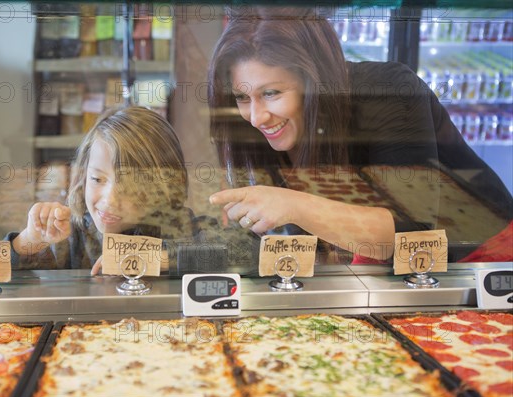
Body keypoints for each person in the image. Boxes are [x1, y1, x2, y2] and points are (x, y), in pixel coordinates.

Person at [207, 7, 513, 262]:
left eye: (271, 93)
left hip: (482, 255)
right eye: (242, 98)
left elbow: (414, 235)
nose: (257, 117)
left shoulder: (389, 91)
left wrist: (292, 204)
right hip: (385, 266)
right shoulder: (270, 131)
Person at [7, 106, 195, 272]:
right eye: (97, 179)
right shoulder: (71, 233)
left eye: (129, 186)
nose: (110, 200)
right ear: (83, 176)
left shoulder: (179, 225)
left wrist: (149, 258)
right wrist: (29, 240)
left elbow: (220, 255)